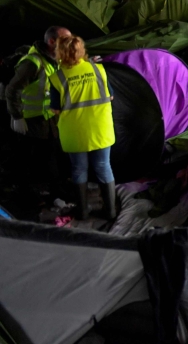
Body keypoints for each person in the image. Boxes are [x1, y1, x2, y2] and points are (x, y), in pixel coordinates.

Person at [48, 36, 116, 221]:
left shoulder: (57, 78)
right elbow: (110, 97)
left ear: (59, 53)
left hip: (75, 131)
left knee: (78, 169)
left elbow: (55, 108)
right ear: (81, 50)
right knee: (103, 167)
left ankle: (83, 212)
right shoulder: (98, 69)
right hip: (100, 128)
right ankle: (110, 212)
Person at [5, 26, 72, 196]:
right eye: (66, 38)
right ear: (51, 42)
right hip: (30, 120)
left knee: (49, 155)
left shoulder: (55, 58)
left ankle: (53, 190)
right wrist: (17, 116)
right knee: (26, 157)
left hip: (47, 118)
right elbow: (13, 90)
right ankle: (23, 192)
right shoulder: (32, 63)